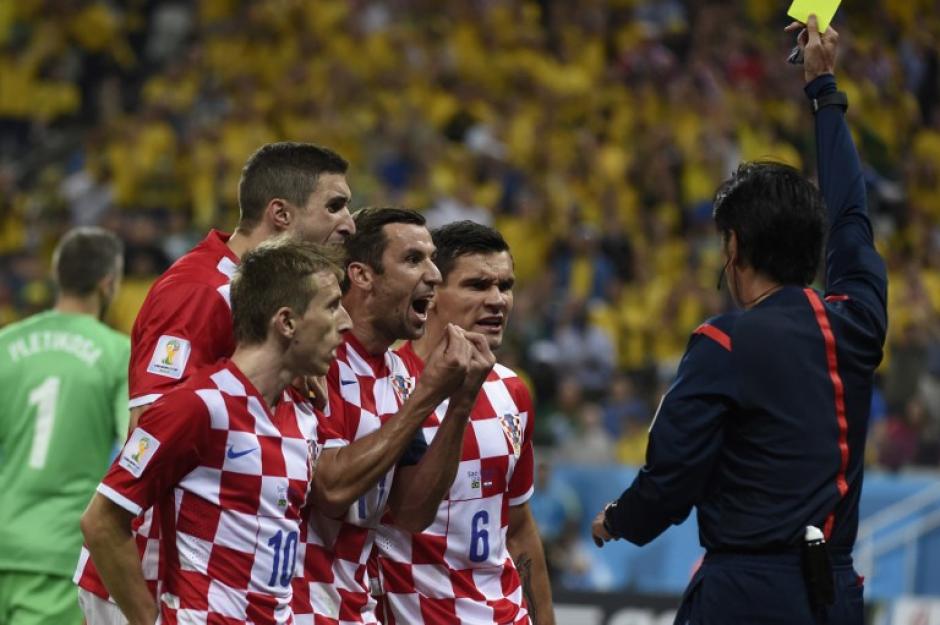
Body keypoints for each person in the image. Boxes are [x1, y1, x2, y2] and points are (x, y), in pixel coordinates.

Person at [591, 16, 887, 625]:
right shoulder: (855, 323)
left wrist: (619, 520)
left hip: (746, 594)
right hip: (835, 596)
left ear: (733, 248)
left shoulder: (722, 344)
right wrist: (824, 90)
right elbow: (852, 218)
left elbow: (670, 480)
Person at [75, 141, 354, 604]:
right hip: (149, 574)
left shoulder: (270, 301)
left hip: (216, 578)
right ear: (281, 214)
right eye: (335, 206)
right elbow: (152, 428)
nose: (349, 224)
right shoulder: (199, 291)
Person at [293, 208, 496, 624]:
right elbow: (330, 490)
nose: (434, 276)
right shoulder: (315, 360)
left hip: (353, 605)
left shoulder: (398, 373)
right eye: (413, 259)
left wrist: (461, 403)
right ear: (362, 275)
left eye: (432, 259)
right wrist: (427, 396)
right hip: (296, 605)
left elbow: (412, 513)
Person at [373, 221, 555, 624]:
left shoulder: (513, 391)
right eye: (477, 285)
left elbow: (519, 529)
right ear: (432, 292)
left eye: (505, 286)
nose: (497, 300)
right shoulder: (382, 386)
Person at [0, 227, 128, 625]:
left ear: (57, 276)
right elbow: (135, 445)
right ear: (108, 283)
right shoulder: (117, 352)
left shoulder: (6, 344)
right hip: (56, 552)